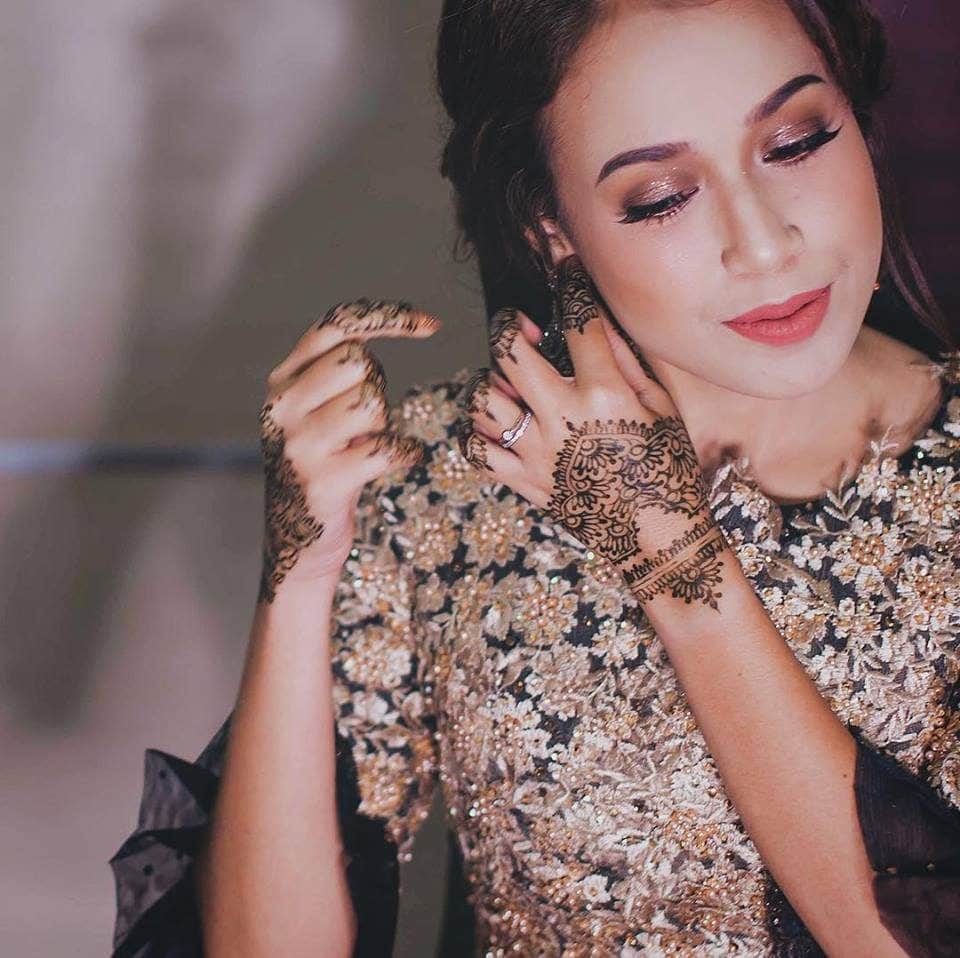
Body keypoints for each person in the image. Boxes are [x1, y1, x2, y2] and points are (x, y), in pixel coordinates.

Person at [108, 0, 960, 955]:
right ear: (550, 223)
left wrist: (668, 553)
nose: (763, 243)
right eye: (660, 197)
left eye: (796, 142)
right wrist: (301, 580)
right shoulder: (442, 480)